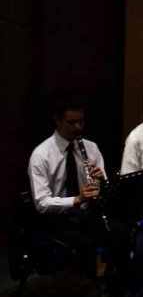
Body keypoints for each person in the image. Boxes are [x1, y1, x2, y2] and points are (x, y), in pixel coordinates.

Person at [28, 95, 109, 277]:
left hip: (86, 213)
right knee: (86, 244)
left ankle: (113, 291)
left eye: (81, 121)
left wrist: (102, 180)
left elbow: (102, 189)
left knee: (119, 232)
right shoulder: (41, 155)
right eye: (71, 122)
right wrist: (77, 199)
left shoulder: (91, 148)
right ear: (57, 121)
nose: (78, 127)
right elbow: (41, 203)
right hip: (57, 218)